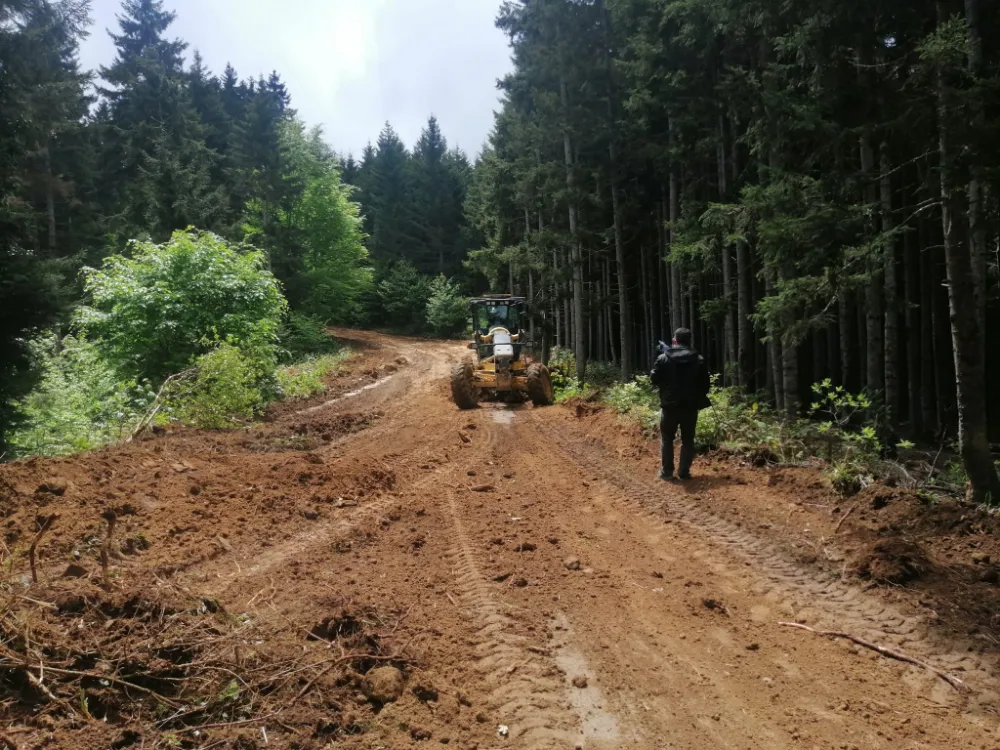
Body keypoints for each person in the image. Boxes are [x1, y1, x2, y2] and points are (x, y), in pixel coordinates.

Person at [649, 328, 711, 481]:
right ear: (689, 341)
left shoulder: (663, 358)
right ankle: (684, 473)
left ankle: (667, 472)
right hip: (690, 407)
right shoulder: (699, 359)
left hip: (669, 407)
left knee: (667, 439)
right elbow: (705, 386)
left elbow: (654, 379)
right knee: (688, 440)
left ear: (675, 340)